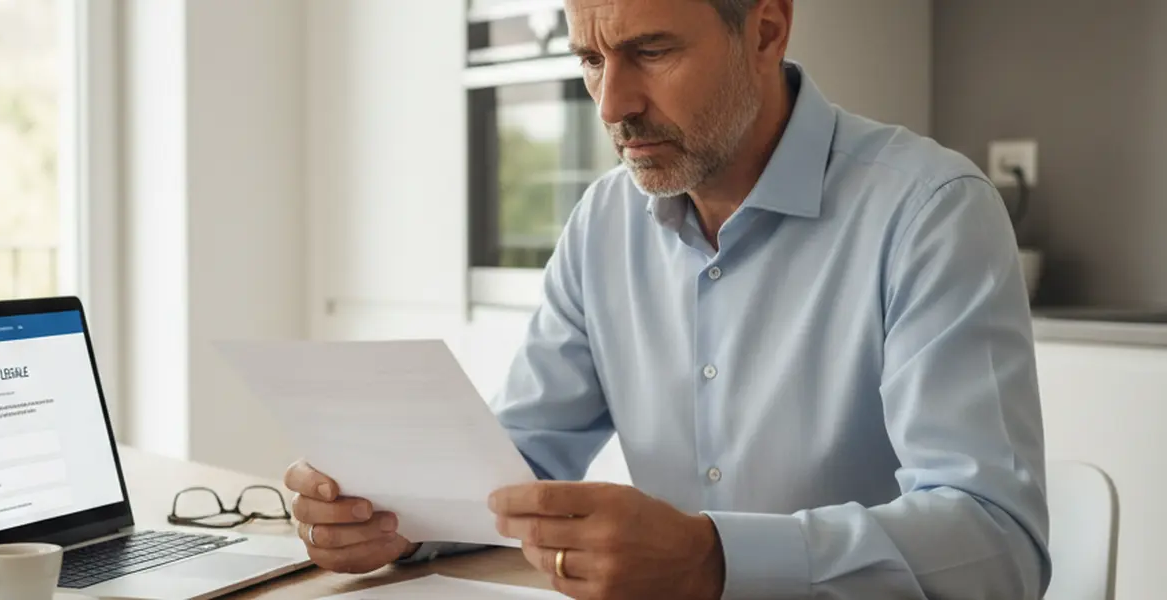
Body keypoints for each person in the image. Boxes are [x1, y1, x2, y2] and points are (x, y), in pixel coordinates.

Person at [284, 0, 1051, 597]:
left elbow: (996, 543)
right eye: (591, 59)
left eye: (650, 51)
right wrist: (396, 516)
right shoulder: (603, 222)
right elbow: (518, 464)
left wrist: (714, 558)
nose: (612, 104)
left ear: (766, 30)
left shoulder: (930, 211)